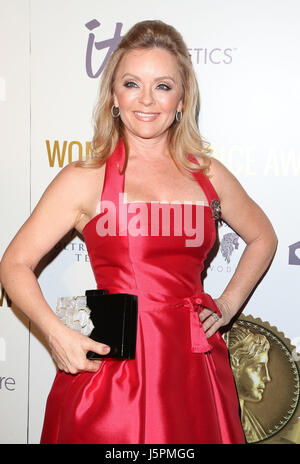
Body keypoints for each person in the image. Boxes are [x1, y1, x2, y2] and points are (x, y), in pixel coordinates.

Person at [0, 20, 277, 444]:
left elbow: (263, 237)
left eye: (163, 86)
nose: (147, 100)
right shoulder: (84, 178)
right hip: (114, 373)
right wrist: (55, 334)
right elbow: (14, 264)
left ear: (182, 99)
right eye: (132, 83)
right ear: (114, 95)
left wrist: (227, 305)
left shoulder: (208, 175)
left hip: (194, 366)